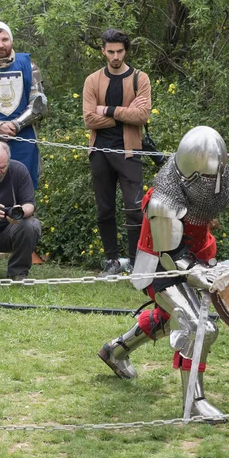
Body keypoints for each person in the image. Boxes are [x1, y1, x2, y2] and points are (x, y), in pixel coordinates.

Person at [98, 126, 229, 419]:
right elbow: (171, 257)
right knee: (199, 327)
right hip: (162, 267)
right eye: (210, 179)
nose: (216, 184)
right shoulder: (164, 200)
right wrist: (199, 273)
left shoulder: (206, 182)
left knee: (167, 317)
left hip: (193, 259)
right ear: (191, 174)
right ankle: (194, 402)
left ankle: (115, 351)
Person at [83, 29, 150, 277]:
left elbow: (142, 116)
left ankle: (134, 262)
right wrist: (123, 114)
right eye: (110, 51)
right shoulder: (92, 80)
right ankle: (111, 261)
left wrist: (107, 110)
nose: (115, 56)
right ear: (103, 51)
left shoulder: (139, 79)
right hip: (99, 151)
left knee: (135, 208)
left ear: (126, 51)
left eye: (119, 51)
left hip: (129, 152)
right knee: (105, 209)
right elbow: (89, 120)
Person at [0, 21, 47, 189]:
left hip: (22, 137)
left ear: (11, 40)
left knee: (23, 188)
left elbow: (39, 104)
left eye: (5, 39)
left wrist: (16, 124)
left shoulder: (28, 65)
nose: (1, 44)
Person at [0, 141, 41, 280]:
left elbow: (29, 205)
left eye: (2, 167)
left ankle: (18, 273)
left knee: (31, 225)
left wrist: (20, 212)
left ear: (8, 162)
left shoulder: (18, 169)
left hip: (9, 230)